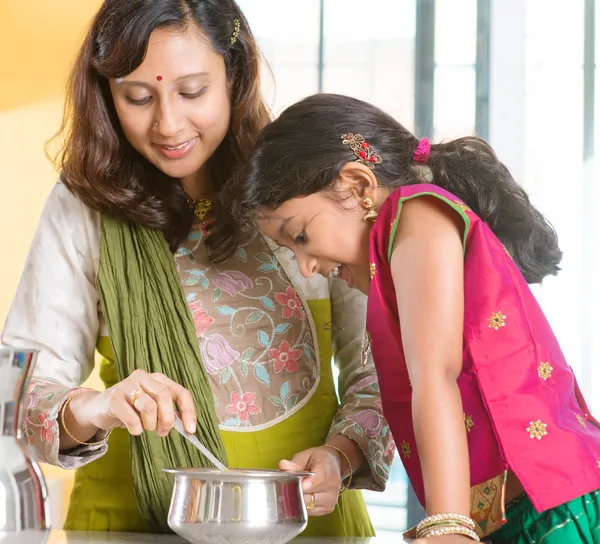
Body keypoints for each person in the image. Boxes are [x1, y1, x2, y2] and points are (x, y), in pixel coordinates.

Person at [1, 4, 393, 535]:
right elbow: (20, 395)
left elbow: (385, 374)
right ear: (105, 92)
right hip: (129, 527)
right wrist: (100, 408)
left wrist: (339, 458)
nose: (168, 124)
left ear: (234, 75)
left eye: (192, 92)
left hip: (307, 523)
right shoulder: (85, 204)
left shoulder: (304, 189)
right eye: (137, 97)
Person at [234, 92, 600, 543]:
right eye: (293, 251)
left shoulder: (417, 216)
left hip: (551, 506)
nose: (309, 266)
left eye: (302, 235)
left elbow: (436, 378)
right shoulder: (393, 253)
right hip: (514, 512)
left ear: (359, 186)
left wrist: (447, 526)